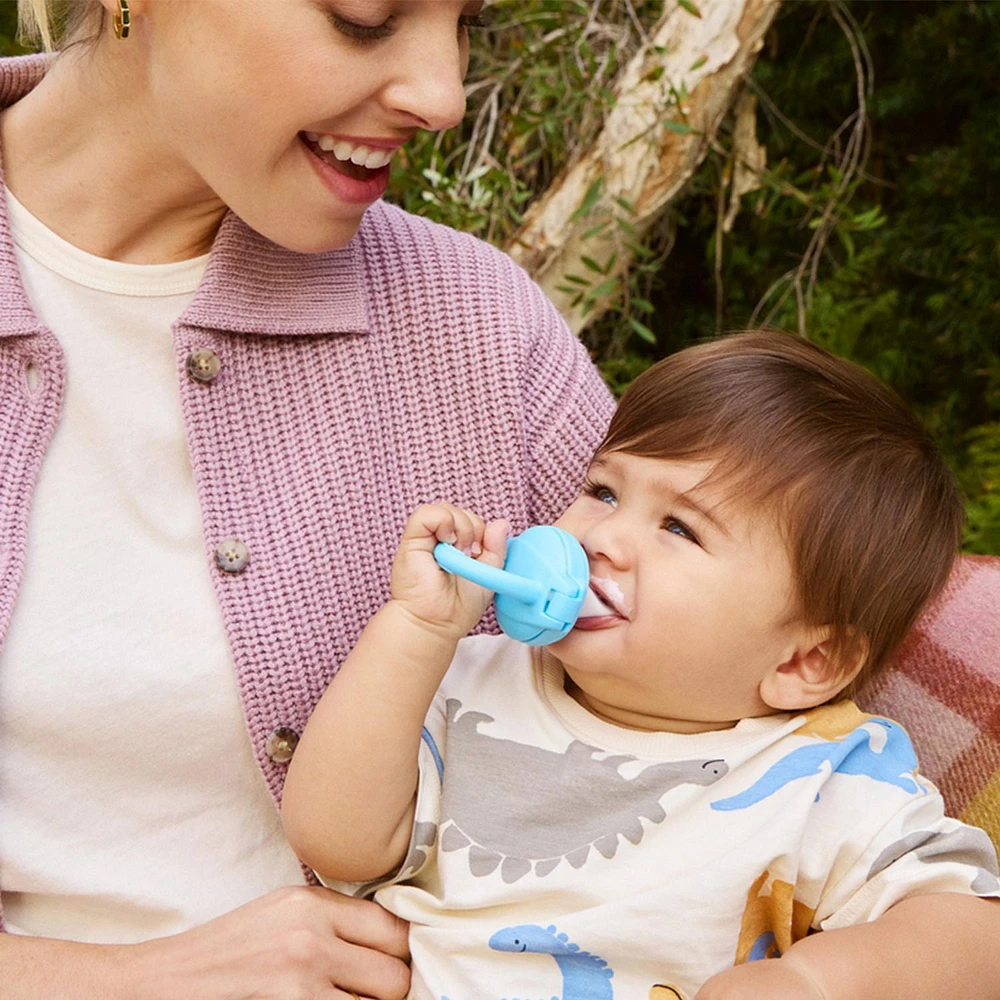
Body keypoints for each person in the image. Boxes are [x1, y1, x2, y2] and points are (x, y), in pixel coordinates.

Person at [0, 1, 615, 996]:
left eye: (468, 21)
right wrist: (142, 979)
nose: (445, 97)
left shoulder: (477, 329)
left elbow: (761, 701)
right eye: (365, 18)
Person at [282, 331, 1000, 1000]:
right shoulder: (475, 677)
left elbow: (975, 932)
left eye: (679, 528)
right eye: (603, 491)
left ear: (806, 661)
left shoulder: (823, 776)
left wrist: (816, 983)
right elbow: (338, 844)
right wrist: (414, 630)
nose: (604, 536)